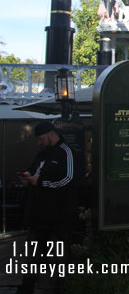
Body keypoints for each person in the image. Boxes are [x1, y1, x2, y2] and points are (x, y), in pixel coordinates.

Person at [17, 121, 78, 294]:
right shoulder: (42, 154)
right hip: (39, 215)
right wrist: (28, 176)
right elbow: (33, 169)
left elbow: (68, 180)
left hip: (59, 216)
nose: (39, 142)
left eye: (41, 139)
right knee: (32, 254)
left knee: (57, 256)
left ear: (51, 134)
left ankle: (58, 287)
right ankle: (26, 287)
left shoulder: (66, 152)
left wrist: (41, 183)